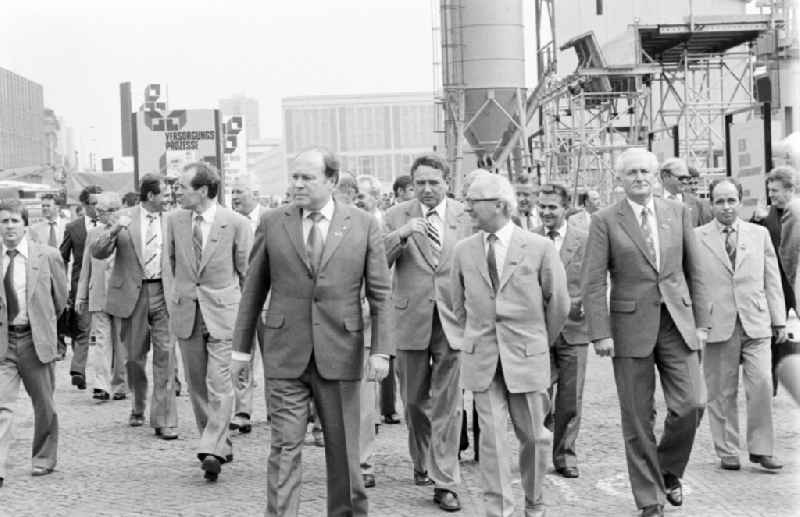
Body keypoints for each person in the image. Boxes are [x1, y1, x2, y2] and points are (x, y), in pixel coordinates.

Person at [232, 147, 392, 516]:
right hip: (285, 354)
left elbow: (381, 294)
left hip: (341, 352)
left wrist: (381, 350)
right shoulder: (273, 222)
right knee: (285, 446)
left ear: (332, 181)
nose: (298, 185)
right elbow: (253, 289)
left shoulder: (363, 224)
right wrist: (241, 350)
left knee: (343, 448)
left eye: (307, 178)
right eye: (295, 177)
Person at [583, 148, 710, 517]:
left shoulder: (677, 213)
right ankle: (649, 499)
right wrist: (600, 333)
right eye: (632, 173)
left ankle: (668, 471)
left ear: (655, 176)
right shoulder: (606, 220)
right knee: (638, 417)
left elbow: (695, 270)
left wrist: (701, 322)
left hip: (677, 322)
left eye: (645, 171)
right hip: (628, 328)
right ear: (620, 179)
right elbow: (593, 280)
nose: (640, 178)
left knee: (693, 403)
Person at [451, 173, 570, 517]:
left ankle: (534, 505)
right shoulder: (463, 250)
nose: (468, 207)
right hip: (483, 359)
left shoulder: (538, 247)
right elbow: (457, 306)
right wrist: (474, 337)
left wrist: (537, 341)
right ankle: (498, 510)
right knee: (492, 439)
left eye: (474, 201)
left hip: (527, 355)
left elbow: (558, 303)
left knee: (534, 437)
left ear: (500, 205)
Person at [383, 152, 471, 512]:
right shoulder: (395, 216)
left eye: (433, 182)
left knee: (449, 406)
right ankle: (422, 461)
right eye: (420, 183)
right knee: (415, 403)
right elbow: (377, 260)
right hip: (410, 320)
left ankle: (445, 481)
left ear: (446, 182)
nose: (426, 189)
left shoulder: (466, 217)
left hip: (453, 321)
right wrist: (401, 235)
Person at [166, 163, 251, 480]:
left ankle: (212, 448)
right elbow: (171, 266)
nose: (177, 191)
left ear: (202, 190)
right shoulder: (174, 222)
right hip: (188, 313)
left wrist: (249, 318)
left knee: (220, 383)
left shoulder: (236, 224)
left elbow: (247, 273)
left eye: (183, 186)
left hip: (223, 314)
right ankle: (217, 442)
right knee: (196, 384)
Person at [695, 177, 786, 471]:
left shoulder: (758, 235)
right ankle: (727, 450)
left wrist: (779, 320)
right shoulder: (696, 238)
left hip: (756, 321)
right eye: (719, 201)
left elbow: (772, 279)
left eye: (731, 200)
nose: (726, 207)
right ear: (711, 204)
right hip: (717, 323)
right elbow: (691, 282)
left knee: (761, 383)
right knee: (722, 391)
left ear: (740, 201)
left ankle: (761, 449)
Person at [92, 174, 178, 439]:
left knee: (166, 355)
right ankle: (138, 403)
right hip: (132, 294)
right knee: (134, 359)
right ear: (151, 196)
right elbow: (98, 251)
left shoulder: (174, 220)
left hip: (163, 293)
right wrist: (116, 229)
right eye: (164, 194)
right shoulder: (124, 216)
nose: (169, 198)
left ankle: (163, 418)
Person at [0, 198, 68, 488]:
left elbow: (60, 299)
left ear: (26, 224)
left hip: (34, 339)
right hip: (4, 342)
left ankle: (43, 457)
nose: (9, 226)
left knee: (44, 405)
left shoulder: (48, 256)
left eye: (15, 220)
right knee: (2, 406)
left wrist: (44, 326)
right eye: (4, 221)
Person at [534, 183, 590, 479]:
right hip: (538, 330)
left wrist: (582, 305)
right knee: (538, 394)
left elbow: (595, 279)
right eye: (541, 206)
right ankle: (538, 451)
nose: (546, 212)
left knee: (570, 397)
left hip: (574, 329)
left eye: (552, 207)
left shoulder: (585, 239)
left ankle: (566, 454)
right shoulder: (527, 239)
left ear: (566, 208)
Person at [76, 192, 127, 401]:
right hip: (98, 293)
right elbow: (85, 266)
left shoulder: (128, 231)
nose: (98, 216)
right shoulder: (94, 233)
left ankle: (121, 384)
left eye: (101, 212)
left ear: (114, 210)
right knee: (100, 341)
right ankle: (101, 385)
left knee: (122, 341)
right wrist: (81, 295)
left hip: (122, 294)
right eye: (97, 211)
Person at [753, 166, 798, 391]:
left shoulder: (796, 212)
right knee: (773, 336)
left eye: (776, 190)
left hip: (794, 284)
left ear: (791, 189)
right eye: (769, 190)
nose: (771, 194)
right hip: (774, 284)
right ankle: (770, 386)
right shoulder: (766, 215)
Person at [229, 174, 266, 434]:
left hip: (272, 299)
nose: (235, 197)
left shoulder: (273, 219)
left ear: (256, 194)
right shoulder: (230, 223)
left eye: (240, 191)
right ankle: (242, 411)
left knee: (275, 356)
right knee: (242, 353)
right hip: (240, 299)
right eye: (233, 192)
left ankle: (277, 409)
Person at [60, 184, 103, 390]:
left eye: (99, 203)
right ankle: (78, 370)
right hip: (81, 286)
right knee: (83, 328)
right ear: (84, 205)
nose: (97, 208)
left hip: (106, 284)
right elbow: (62, 258)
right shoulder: (73, 228)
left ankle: (107, 377)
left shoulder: (109, 223)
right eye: (93, 204)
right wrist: (65, 287)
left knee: (106, 332)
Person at [29, 194, 69, 360]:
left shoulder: (68, 225)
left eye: (48, 205)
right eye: (43, 205)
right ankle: (56, 345)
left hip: (65, 271)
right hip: (45, 274)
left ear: (57, 207)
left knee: (64, 307)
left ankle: (66, 341)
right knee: (49, 307)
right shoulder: (35, 229)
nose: (45, 208)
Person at [659, 158, 712, 227]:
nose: (685, 182)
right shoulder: (652, 201)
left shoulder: (697, 203)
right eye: (681, 178)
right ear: (665, 175)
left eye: (687, 178)